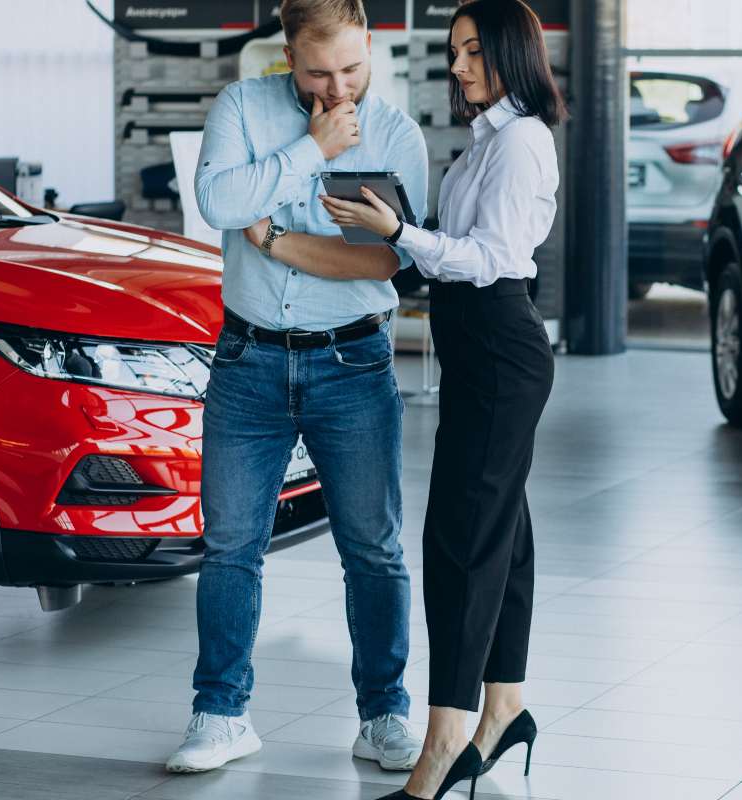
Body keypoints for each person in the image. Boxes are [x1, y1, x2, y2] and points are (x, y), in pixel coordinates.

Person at [164, 0, 428, 775]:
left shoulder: (396, 136)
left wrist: (276, 236)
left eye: (351, 67)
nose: (338, 86)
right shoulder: (243, 107)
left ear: (370, 48)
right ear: (288, 57)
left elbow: (383, 264)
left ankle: (384, 716)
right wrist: (311, 150)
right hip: (247, 362)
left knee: (373, 552)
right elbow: (218, 203)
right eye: (318, 72)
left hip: (352, 366)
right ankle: (220, 715)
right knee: (230, 549)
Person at [323, 1, 564, 797]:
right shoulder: (489, 139)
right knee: (503, 535)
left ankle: (446, 742)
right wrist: (398, 225)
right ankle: (505, 707)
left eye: (468, 51)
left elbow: (488, 259)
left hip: (498, 346)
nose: (456, 66)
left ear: (504, 51)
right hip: (478, 348)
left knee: (461, 542)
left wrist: (398, 233)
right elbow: (459, 249)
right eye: (454, 51)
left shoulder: (521, 142)